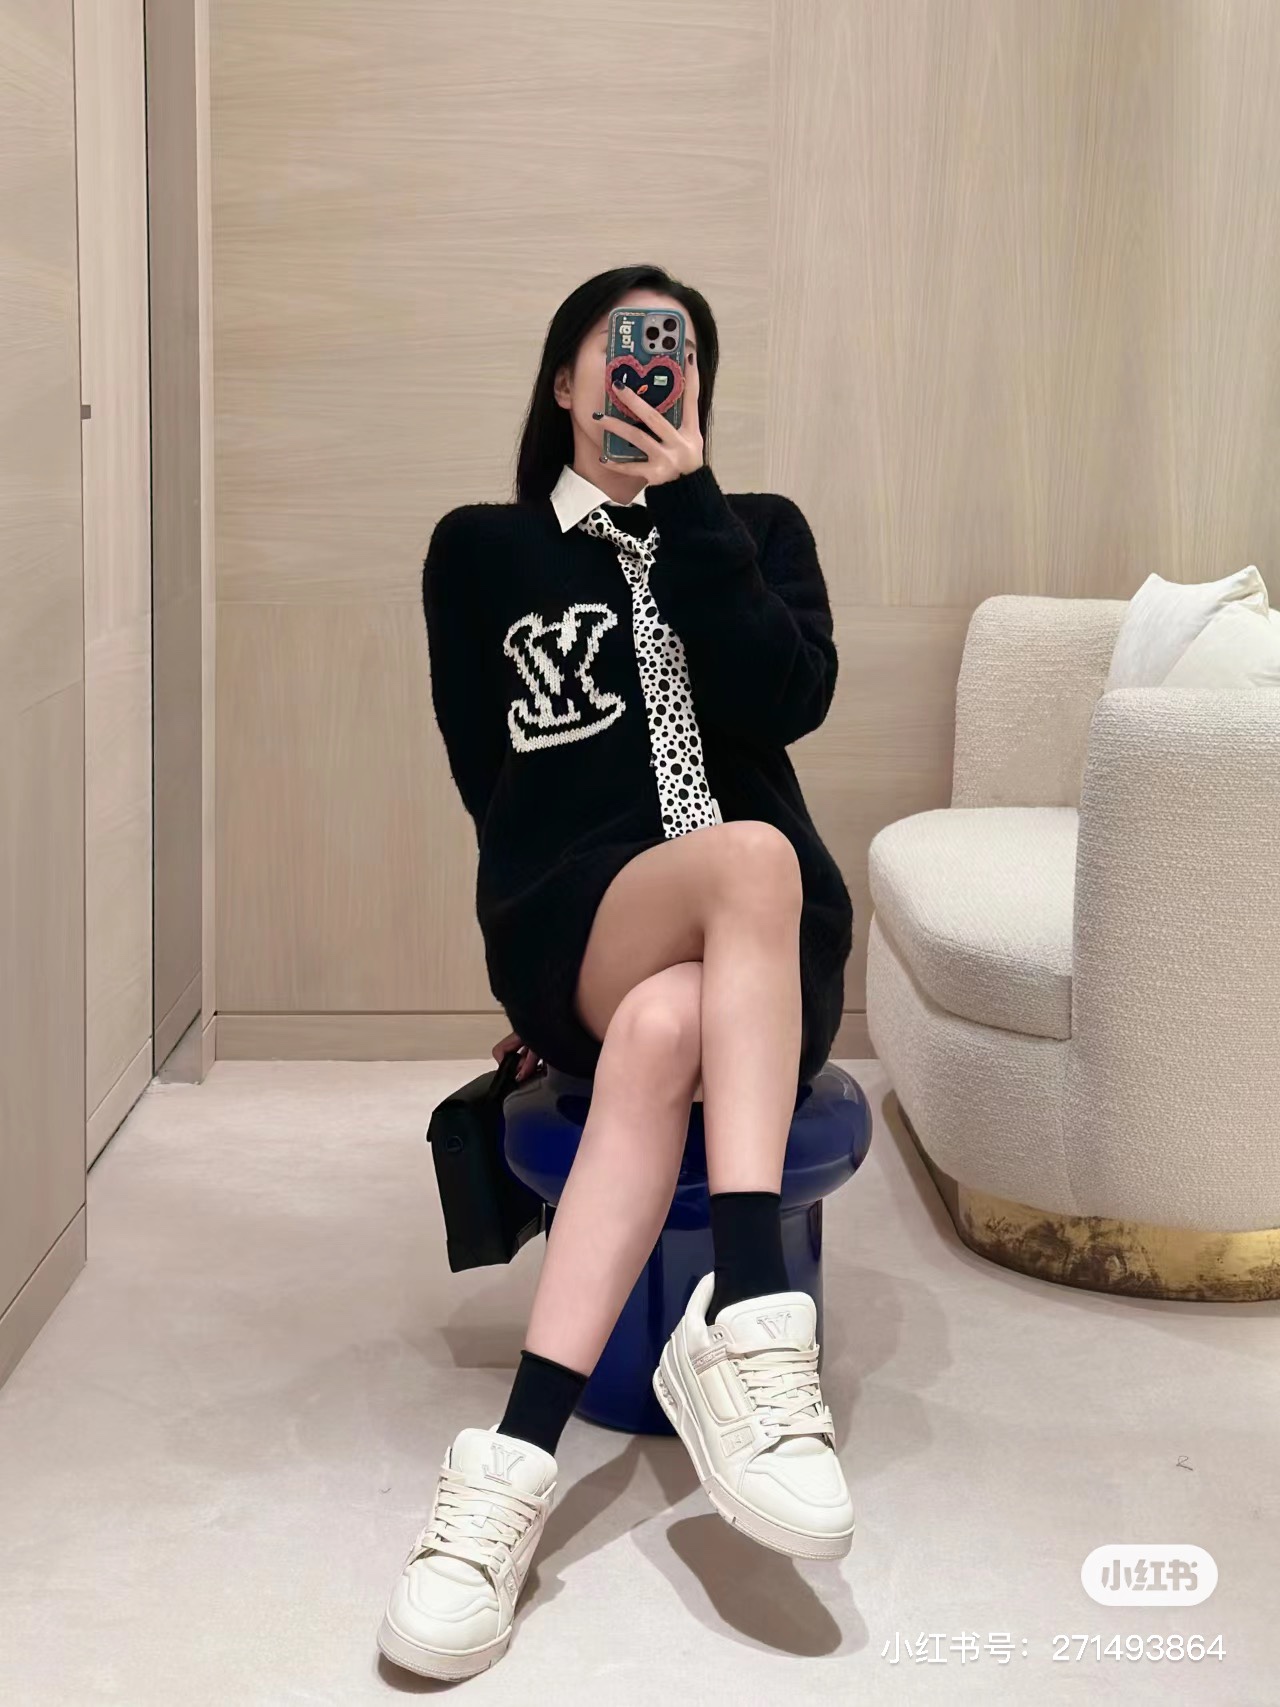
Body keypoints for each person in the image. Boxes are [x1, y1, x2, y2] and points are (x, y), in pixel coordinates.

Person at [377, 265, 856, 1680]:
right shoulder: (482, 550)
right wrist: (546, 966)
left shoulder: (757, 529)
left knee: (667, 1021)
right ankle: (753, 1317)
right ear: (563, 379)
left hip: (762, 956)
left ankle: (508, 1476)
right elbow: (489, 776)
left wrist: (692, 509)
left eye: (677, 354)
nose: (651, 369)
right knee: (743, 863)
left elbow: (789, 700)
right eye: (624, 347)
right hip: (575, 917)